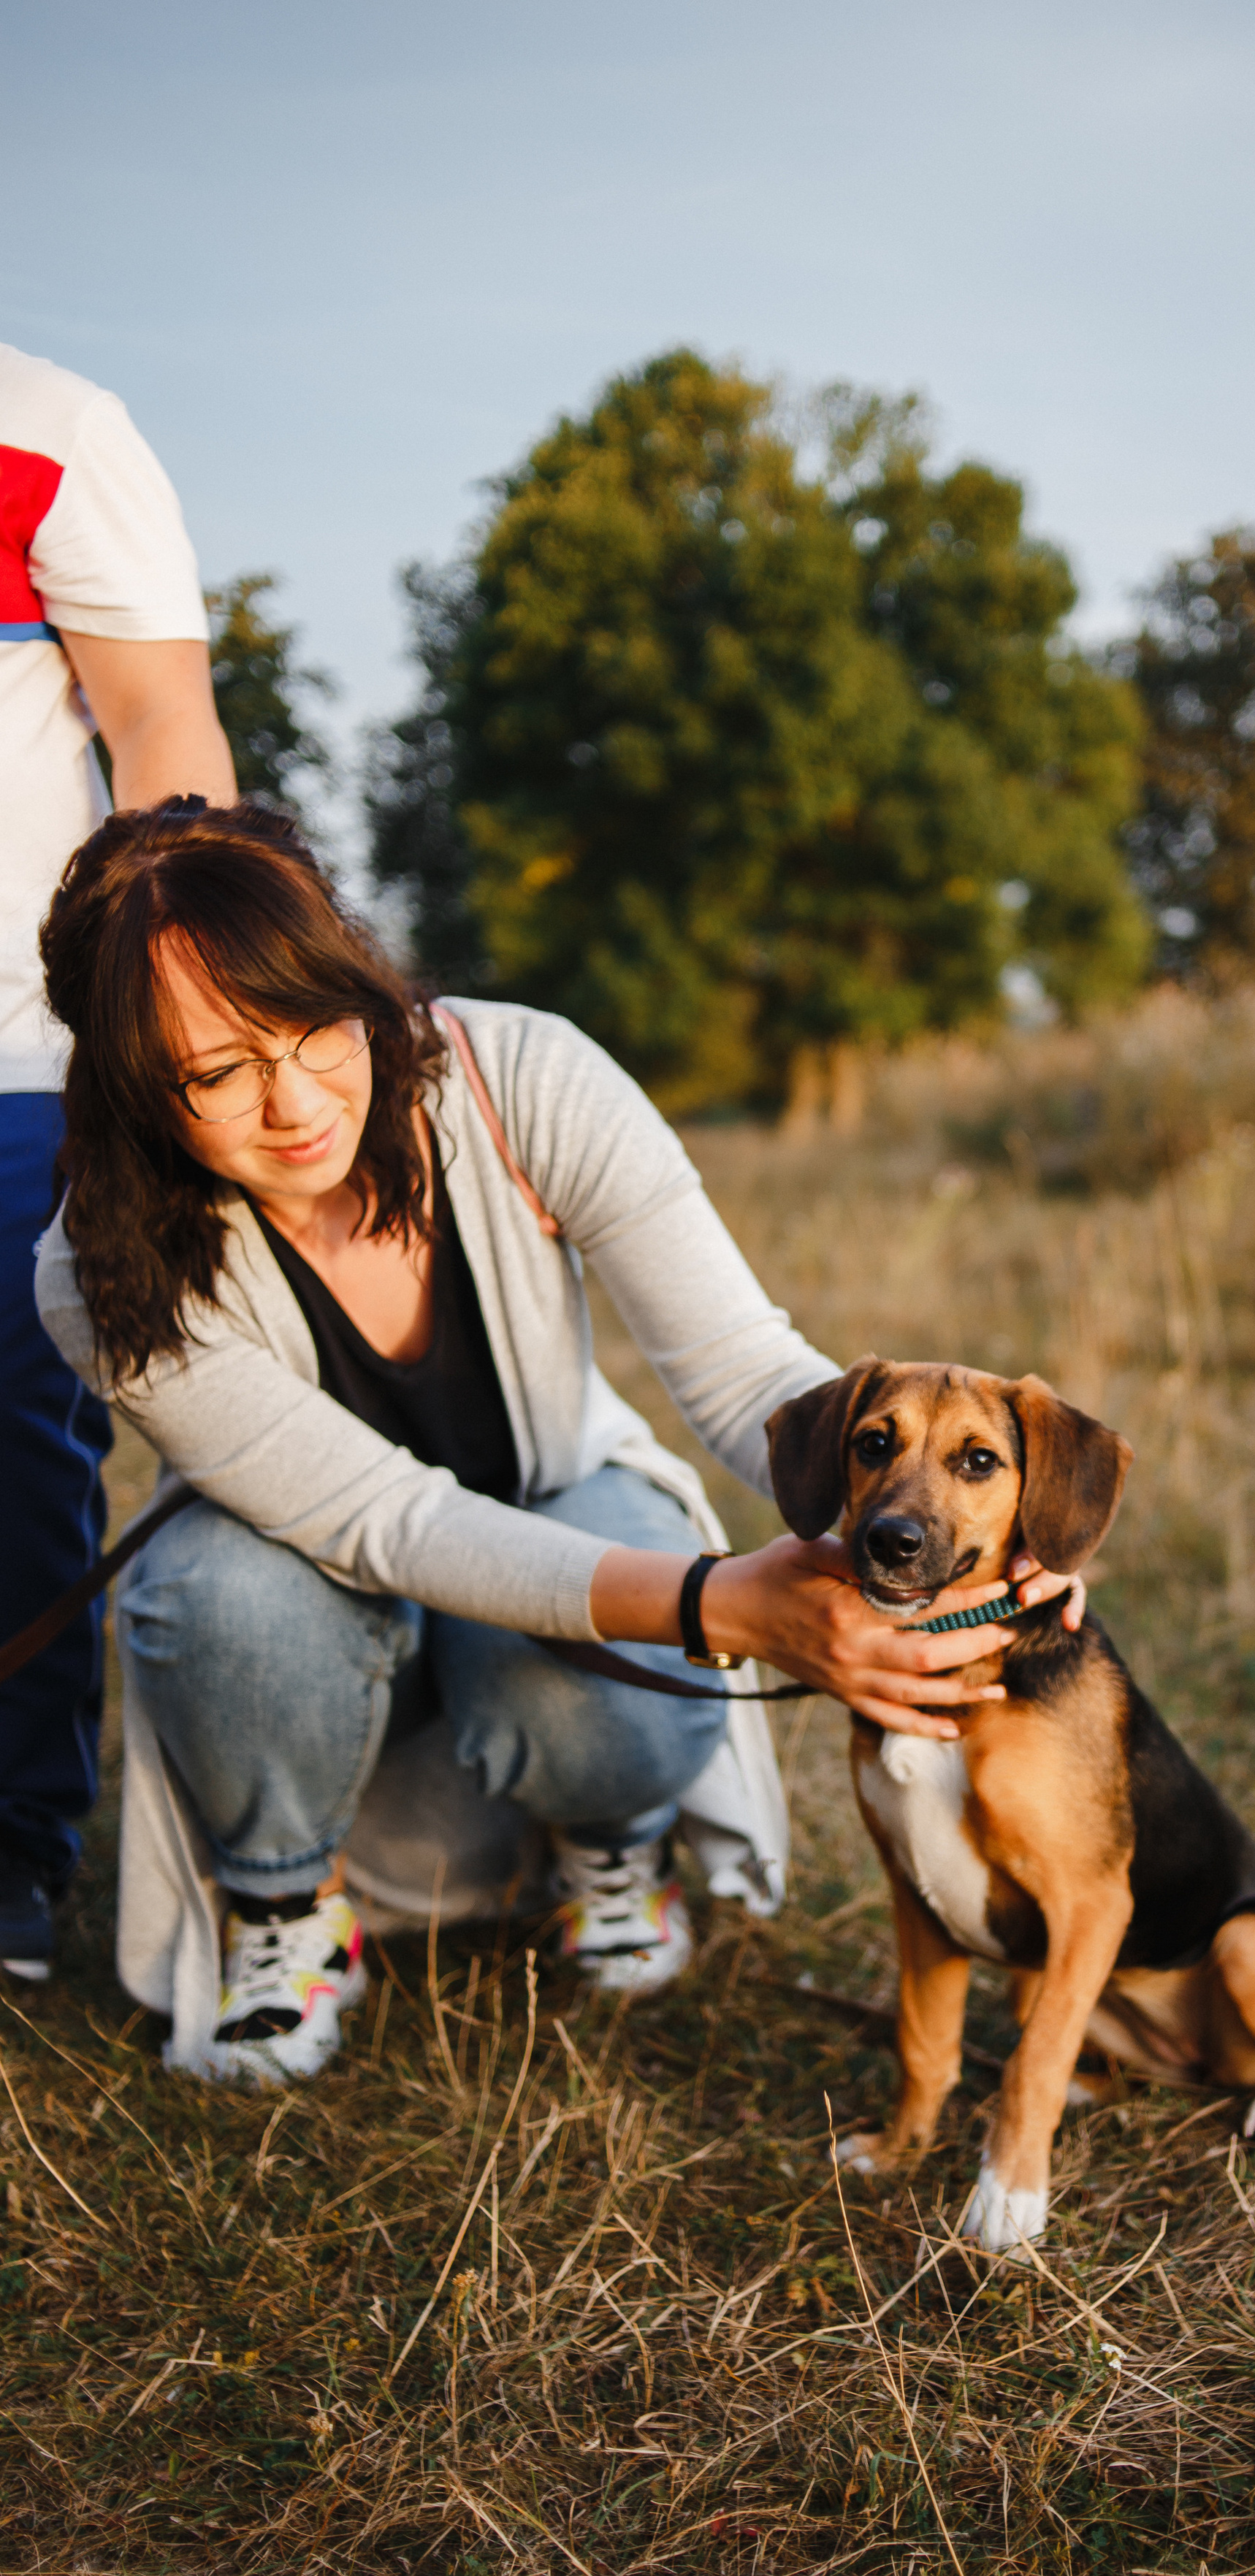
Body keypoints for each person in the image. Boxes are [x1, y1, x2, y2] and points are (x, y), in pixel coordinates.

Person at [32, 800, 1076, 2081]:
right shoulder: (97, 1276)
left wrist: (983, 1534)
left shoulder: (521, 1077)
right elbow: (391, 1523)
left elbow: (744, 1366)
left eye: (315, 1025)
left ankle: (605, 1839)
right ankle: (286, 1906)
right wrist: (719, 1603)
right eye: (218, 1072)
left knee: (618, 1569)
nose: (295, 1100)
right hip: (307, 1630)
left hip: (561, 1535)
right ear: (138, 1091)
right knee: (216, 1592)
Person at [1, 340, 235, 1979]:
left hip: (17, 1057)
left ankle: (11, 1850)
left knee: (16, 1454)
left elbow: (159, 719)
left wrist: (159, 1028)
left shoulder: (55, 431)